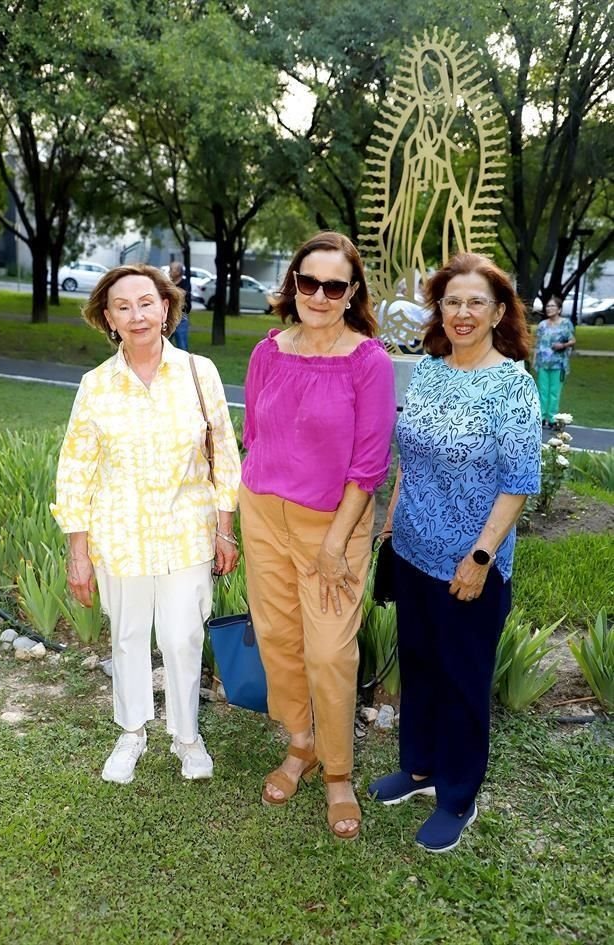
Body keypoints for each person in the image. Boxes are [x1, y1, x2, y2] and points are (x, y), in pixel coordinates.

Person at [369, 252, 541, 853]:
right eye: (451, 301)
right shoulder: (431, 370)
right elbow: (410, 458)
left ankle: (458, 795)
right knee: (419, 664)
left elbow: (517, 482)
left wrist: (480, 558)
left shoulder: (513, 386)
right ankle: (417, 767)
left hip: (471, 563)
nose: (462, 313)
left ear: (498, 313)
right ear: (438, 310)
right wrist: (392, 524)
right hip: (413, 548)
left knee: (463, 678)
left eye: (476, 303)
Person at [51, 264, 241, 784]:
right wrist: (78, 551)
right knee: (129, 637)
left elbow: (224, 453)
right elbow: (75, 470)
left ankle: (187, 736)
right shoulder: (96, 386)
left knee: (182, 637)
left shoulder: (200, 373)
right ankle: (132, 733)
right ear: (108, 319)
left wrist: (226, 527)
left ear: (165, 309)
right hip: (119, 534)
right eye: (123, 306)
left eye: (146, 302)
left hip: (187, 531)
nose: (136, 315)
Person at [239, 231, 396, 841]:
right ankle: (300, 744)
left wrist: (334, 544)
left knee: (330, 652)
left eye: (335, 286)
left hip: (335, 527)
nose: (320, 295)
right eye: (310, 282)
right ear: (293, 284)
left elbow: (369, 465)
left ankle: (338, 773)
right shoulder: (267, 351)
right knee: (278, 639)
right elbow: (256, 431)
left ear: (352, 291)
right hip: (264, 516)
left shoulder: (369, 361)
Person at [533, 295, 575, 427]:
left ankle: (552, 418)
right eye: (548, 306)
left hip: (558, 363)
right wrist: (534, 360)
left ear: (559, 309)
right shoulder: (542, 325)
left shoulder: (566, 323)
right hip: (543, 363)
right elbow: (537, 344)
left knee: (554, 391)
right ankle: (541, 417)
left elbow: (572, 340)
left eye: (552, 306)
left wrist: (563, 346)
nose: (549, 308)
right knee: (542, 390)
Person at [168, 261, 192, 351]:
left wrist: (170, 290)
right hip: (168, 315)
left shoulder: (185, 282)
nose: (170, 272)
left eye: (172, 270)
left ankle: (185, 363)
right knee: (163, 342)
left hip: (181, 316)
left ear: (178, 272)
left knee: (182, 344)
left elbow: (182, 293)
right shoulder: (168, 283)